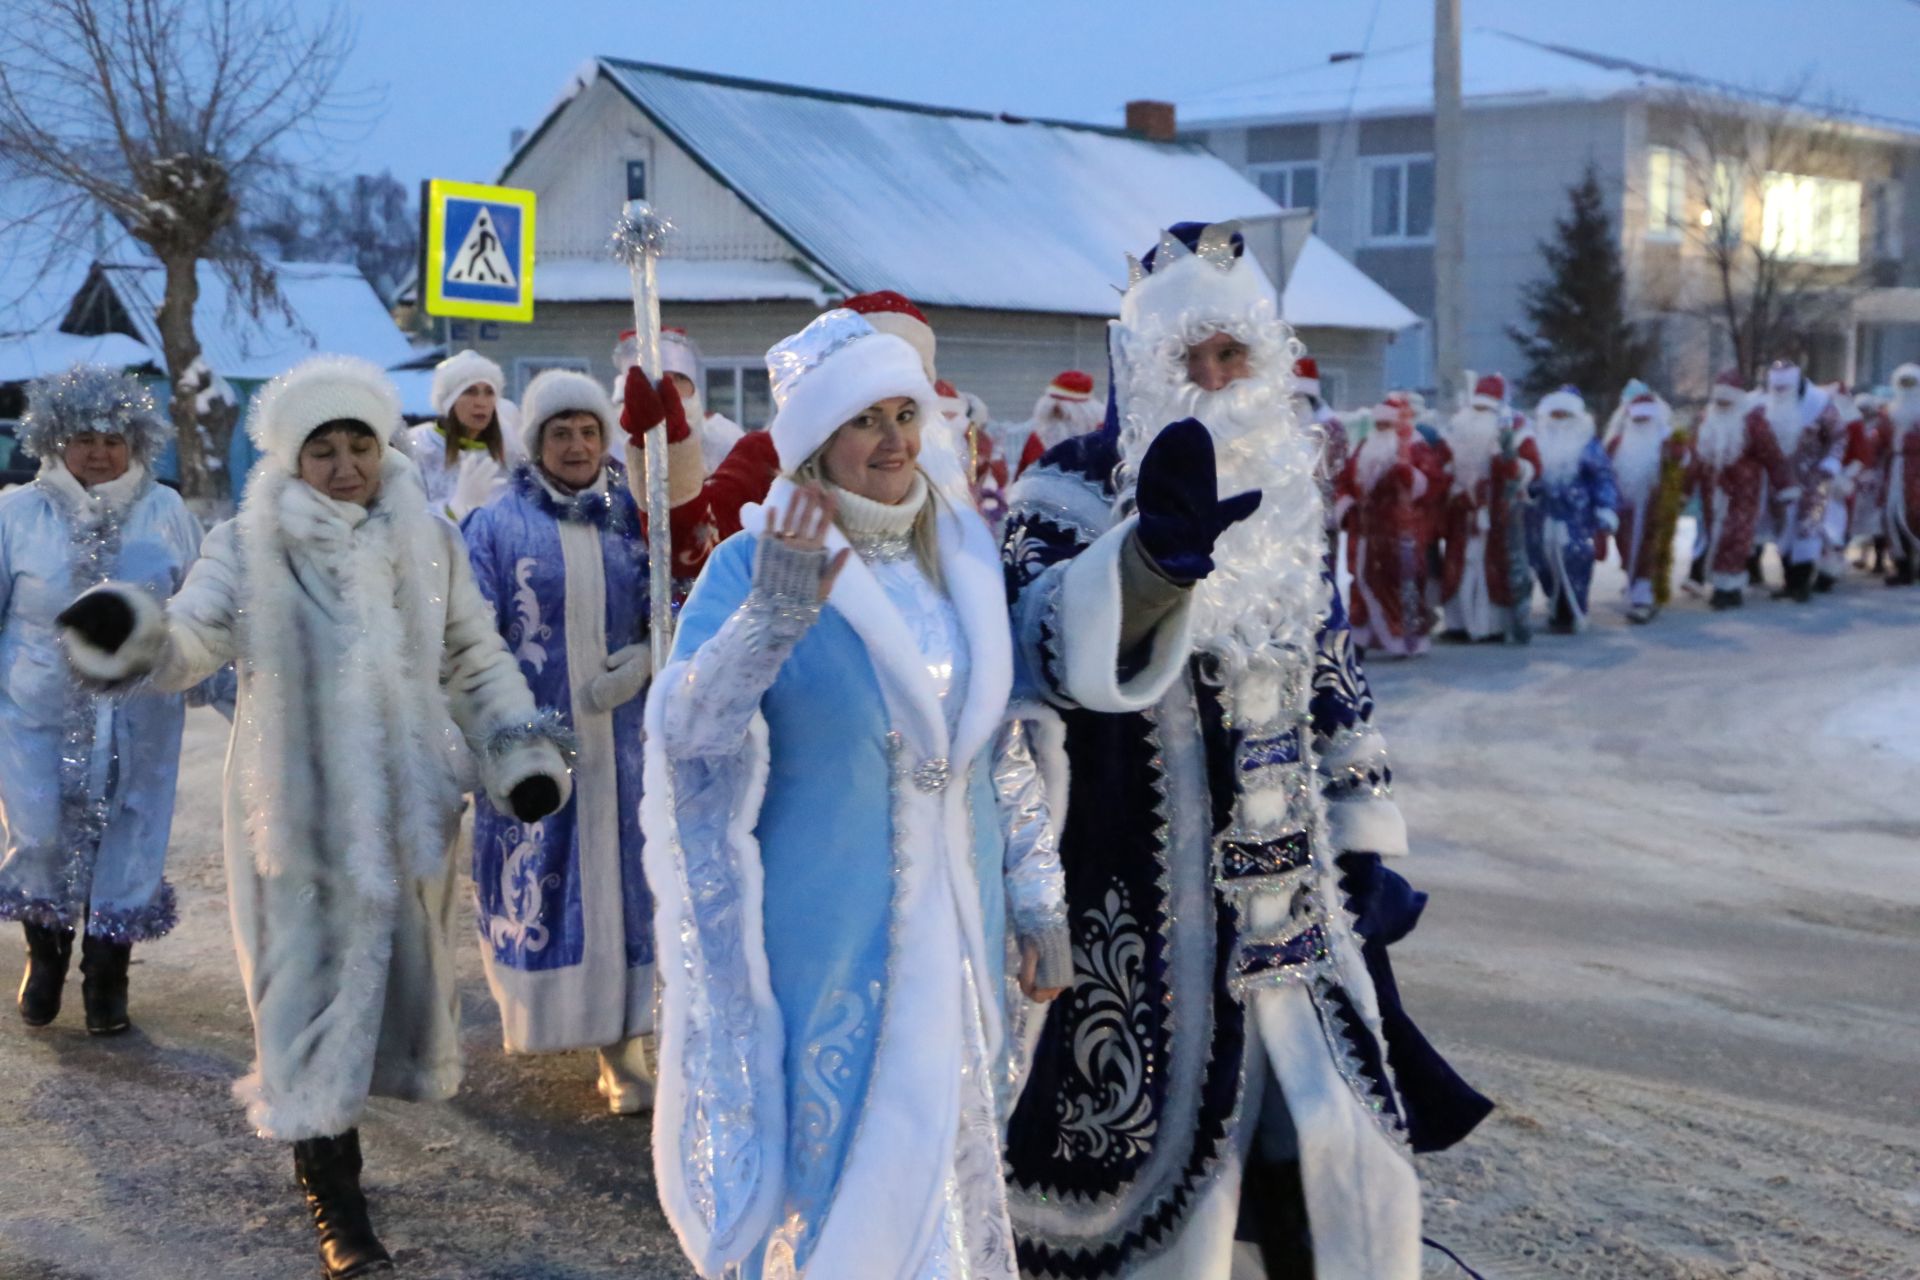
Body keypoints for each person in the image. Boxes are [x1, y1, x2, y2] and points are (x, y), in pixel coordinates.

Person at [1000, 222, 1488, 1280]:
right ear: (1146, 366)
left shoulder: (1287, 497)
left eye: (1237, 357)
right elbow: (1032, 649)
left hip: (1296, 910)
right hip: (1138, 908)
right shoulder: (1067, 493)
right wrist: (1141, 571)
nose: (1218, 380)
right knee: (1150, 1189)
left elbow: (1334, 681)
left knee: (1336, 1152)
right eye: (1194, 359)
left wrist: (1362, 838)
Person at [56, 355, 571, 1279]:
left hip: (407, 806)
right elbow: (193, 636)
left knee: (388, 987)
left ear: (382, 444)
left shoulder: (431, 541)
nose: (343, 466)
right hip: (292, 815)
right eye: (322, 450)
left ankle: (342, 1152)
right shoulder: (249, 544)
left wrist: (517, 751)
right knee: (300, 1004)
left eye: (358, 445)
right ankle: (335, 1200)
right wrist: (131, 633)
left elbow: (474, 656)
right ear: (293, 458)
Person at [642, 310, 1068, 1279]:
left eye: (903, 414)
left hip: (958, 933)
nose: (894, 441)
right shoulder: (754, 561)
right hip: (828, 937)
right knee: (840, 1180)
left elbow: (995, 746)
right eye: (865, 420)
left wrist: (1038, 892)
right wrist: (771, 618)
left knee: (944, 1188)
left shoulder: (957, 557)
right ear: (818, 442)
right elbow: (689, 735)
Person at [461, 369, 658, 1115]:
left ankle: (623, 1045)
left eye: (588, 431)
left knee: (626, 886)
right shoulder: (498, 524)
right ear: (535, 440)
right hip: (538, 745)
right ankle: (547, 1015)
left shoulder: (635, 519)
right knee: (541, 876)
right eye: (559, 433)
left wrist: (648, 659)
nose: (576, 446)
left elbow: (673, 607)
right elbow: (469, 635)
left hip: (629, 746)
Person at [0, 367, 203, 1035]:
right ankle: (45, 956)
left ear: (136, 442)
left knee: (132, 833)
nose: (97, 451)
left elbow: (203, 610)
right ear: (53, 441)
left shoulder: (166, 512)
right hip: (36, 715)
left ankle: (107, 975)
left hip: (140, 716)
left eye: (112, 437)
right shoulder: (15, 514)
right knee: (39, 833)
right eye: (81, 437)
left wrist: (232, 684)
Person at [1335, 392, 1446, 657]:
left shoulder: (1415, 447)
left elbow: (1432, 484)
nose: (1382, 429)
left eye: (1387, 424)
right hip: (1366, 530)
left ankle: (1403, 639)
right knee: (1362, 581)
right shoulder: (1365, 445)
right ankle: (1362, 637)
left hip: (1400, 532)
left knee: (1398, 583)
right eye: (1379, 424)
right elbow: (1346, 480)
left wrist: (1409, 476)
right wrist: (1347, 504)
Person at [1436, 373, 1540, 642]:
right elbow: (1442, 462)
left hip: (1496, 513)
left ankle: (1491, 626)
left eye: (1485, 408)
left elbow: (1531, 466)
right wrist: (1453, 488)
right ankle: (1459, 624)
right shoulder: (1457, 426)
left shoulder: (1513, 429)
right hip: (1462, 510)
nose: (1479, 412)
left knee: (1490, 567)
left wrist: (1513, 470)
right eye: (1477, 407)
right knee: (1460, 565)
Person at [1689, 369, 1797, 610]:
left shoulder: (1753, 421)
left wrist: (1785, 486)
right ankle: (1721, 584)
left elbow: (1772, 456)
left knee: (1737, 536)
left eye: (1727, 398)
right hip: (1713, 491)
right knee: (1715, 535)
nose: (1722, 403)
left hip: (1743, 492)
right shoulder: (1707, 419)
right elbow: (1696, 456)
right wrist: (1687, 486)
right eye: (1719, 398)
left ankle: (1730, 588)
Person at [1526, 386, 1619, 633]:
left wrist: (1606, 507)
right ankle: (1555, 604)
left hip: (1575, 517)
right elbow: (1529, 474)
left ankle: (1573, 610)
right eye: (1554, 415)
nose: (1559, 421)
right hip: (1542, 514)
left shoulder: (1588, 446)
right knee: (1544, 561)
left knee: (1575, 561)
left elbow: (1603, 477)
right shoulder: (1537, 442)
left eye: (1564, 415)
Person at [1754, 360, 1844, 602]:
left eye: (1785, 388)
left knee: (1807, 530)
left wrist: (1830, 463)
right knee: (1782, 530)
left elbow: (1838, 437)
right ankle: (1789, 581)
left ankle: (1801, 583)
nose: (1780, 393)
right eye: (1777, 388)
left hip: (1813, 479)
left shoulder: (1820, 404)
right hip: (1777, 481)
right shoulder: (1764, 406)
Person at [1604, 385, 1692, 624]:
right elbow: (1605, 465)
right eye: (1637, 418)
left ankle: (1644, 596)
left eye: (1646, 417)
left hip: (1655, 506)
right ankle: (1636, 586)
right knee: (1626, 549)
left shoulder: (1665, 439)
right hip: (1625, 507)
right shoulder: (1619, 441)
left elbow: (1681, 459)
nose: (1641, 421)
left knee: (1648, 550)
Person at [408, 348, 523, 521]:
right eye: (470, 392)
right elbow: (408, 522)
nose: (481, 403)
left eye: (489, 392)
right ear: (449, 401)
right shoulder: (420, 447)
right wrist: (453, 510)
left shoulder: (511, 449)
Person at [617, 326, 745, 476]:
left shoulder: (724, 439)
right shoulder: (611, 443)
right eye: (660, 379)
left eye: (680, 378)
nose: (672, 387)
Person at [1012, 370, 1103, 477]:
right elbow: (1020, 480)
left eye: (1065, 416)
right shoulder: (1035, 440)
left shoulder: (1101, 443)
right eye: (1053, 415)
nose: (1058, 420)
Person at [1844, 385, 1893, 574]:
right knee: (1852, 518)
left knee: (1876, 521)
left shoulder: (1881, 427)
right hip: (1856, 477)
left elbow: (1885, 450)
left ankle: (1878, 559)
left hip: (1875, 478)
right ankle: (1852, 555)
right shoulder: (1854, 427)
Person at [1883, 363, 1920, 584]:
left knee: (1915, 514)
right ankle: (1902, 564)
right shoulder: (1889, 410)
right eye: (1902, 383)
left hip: (1916, 468)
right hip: (1895, 467)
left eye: (1911, 383)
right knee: (1892, 515)